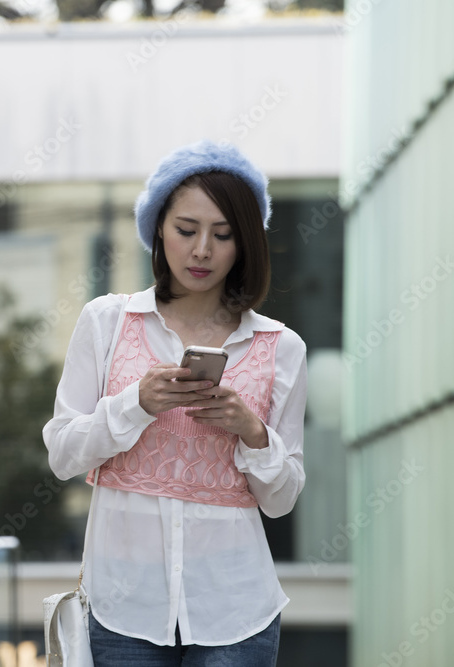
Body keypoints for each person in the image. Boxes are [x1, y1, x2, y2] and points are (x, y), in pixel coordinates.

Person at [43, 139, 307, 666]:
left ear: (245, 243)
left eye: (223, 234)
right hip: (122, 608)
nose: (202, 250)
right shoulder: (107, 322)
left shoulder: (282, 347)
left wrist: (251, 432)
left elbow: (282, 499)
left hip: (238, 611)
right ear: (158, 229)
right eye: (187, 230)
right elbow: (63, 455)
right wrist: (135, 404)